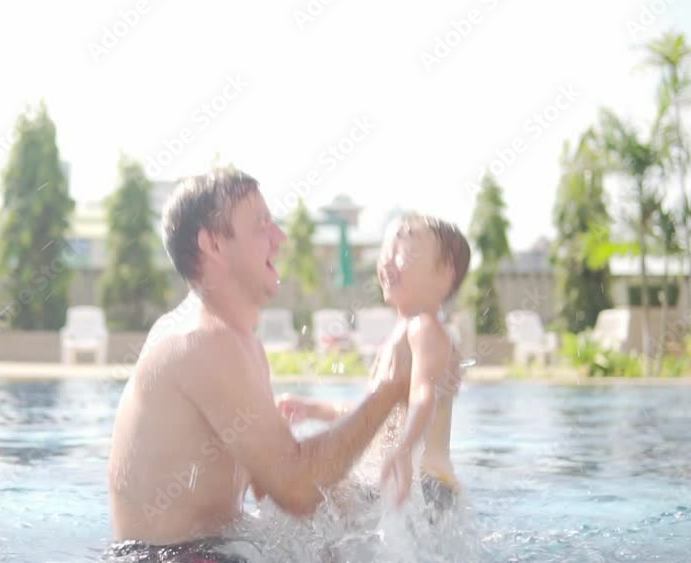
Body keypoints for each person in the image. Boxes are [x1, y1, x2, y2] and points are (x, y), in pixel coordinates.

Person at [106, 168, 413, 562]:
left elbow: (276, 485)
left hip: (207, 549)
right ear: (213, 243)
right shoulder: (201, 342)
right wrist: (388, 392)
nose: (280, 238)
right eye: (261, 225)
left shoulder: (240, 343)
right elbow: (296, 489)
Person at [277, 213, 471, 514]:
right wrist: (313, 409)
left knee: (316, 495)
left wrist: (405, 449)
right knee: (326, 495)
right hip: (412, 485)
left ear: (444, 273)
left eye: (402, 253)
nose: (387, 261)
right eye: (385, 252)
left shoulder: (425, 328)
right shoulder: (402, 333)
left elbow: (424, 393)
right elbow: (375, 419)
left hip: (427, 487)